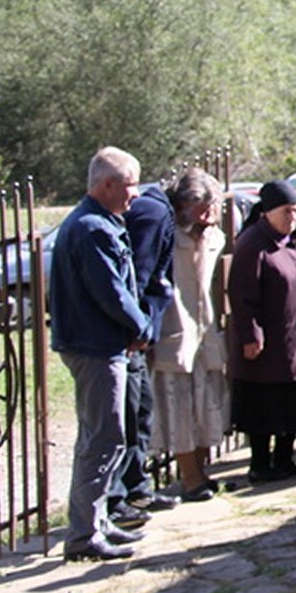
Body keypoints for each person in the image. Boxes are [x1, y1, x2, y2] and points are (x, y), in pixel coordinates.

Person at [50, 147, 151, 561]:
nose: (134, 195)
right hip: (95, 347)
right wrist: (141, 326)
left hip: (97, 343)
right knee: (104, 438)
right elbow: (112, 291)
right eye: (129, 186)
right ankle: (84, 535)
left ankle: (96, 521)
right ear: (106, 185)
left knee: (102, 435)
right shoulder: (92, 228)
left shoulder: (96, 222)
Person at [228, 178, 296, 484]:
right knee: (265, 403)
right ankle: (261, 463)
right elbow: (242, 295)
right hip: (269, 343)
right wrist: (251, 335)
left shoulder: (295, 241)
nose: (293, 217)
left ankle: (285, 458)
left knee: (294, 401)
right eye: (286, 211)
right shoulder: (253, 245)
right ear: (267, 213)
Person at [152, 168, 228, 502]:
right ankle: (189, 478)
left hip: (205, 327)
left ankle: (201, 470)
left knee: (206, 400)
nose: (208, 213)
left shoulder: (215, 238)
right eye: (201, 206)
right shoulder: (168, 236)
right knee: (178, 405)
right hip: (175, 326)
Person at [110, 177, 177, 524]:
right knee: (127, 416)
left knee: (140, 411)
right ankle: (120, 496)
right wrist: (142, 326)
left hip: (136, 330)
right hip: (127, 335)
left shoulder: (153, 209)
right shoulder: (154, 215)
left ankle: (136, 487)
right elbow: (142, 271)